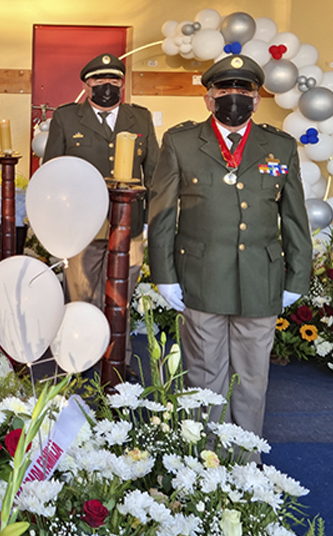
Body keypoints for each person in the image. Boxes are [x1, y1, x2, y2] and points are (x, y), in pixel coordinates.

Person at [147, 54, 311, 448]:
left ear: (256, 99)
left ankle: (244, 459)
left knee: (253, 378)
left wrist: (297, 276)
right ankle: (207, 462)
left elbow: (294, 218)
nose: (233, 96)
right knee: (205, 376)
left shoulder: (280, 146)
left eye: (244, 90)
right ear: (208, 98)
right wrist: (164, 276)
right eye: (224, 89)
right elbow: (163, 213)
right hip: (202, 278)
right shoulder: (181, 142)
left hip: (261, 280)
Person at [42, 52, 159, 377]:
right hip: (80, 226)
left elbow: (155, 174)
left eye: (114, 80)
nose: (106, 85)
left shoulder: (141, 119)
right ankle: (78, 358)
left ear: (122, 83)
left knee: (120, 297)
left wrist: (149, 222)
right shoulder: (67, 118)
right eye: (98, 80)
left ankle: (118, 361)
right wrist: (55, 227)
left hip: (129, 226)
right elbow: (53, 173)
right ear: (87, 84)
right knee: (81, 295)